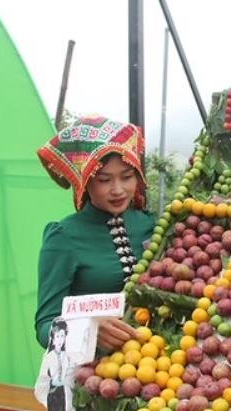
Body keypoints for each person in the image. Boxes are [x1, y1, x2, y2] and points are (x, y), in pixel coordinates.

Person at [35, 115, 155, 351]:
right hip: (93, 376)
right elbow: (44, 327)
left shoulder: (150, 225)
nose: (118, 190)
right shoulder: (63, 237)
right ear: (85, 181)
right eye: (104, 180)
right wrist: (87, 330)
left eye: (127, 177)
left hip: (158, 367)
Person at [42, 318, 69, 411]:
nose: (60, 339)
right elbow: (45, 376)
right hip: (53, 390)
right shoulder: (50, 356)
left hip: (63, 390)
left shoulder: (66, 356)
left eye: (63, 336)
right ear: (52, 338)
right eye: (58, 336)